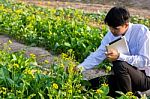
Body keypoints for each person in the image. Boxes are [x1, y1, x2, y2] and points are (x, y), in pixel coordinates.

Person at [77, 6, 150, 98]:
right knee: (92, 86)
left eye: (115, 28)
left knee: (119, 63)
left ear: (126, 25)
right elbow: (98, 55)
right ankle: (134, 93)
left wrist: (120, 56)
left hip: (145, 78)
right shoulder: (111, 35)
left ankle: (128, 97)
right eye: (110, 28)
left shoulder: (141, 31)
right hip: (123, 78)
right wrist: (80, 68)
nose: (112, 31)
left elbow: (145, 60)